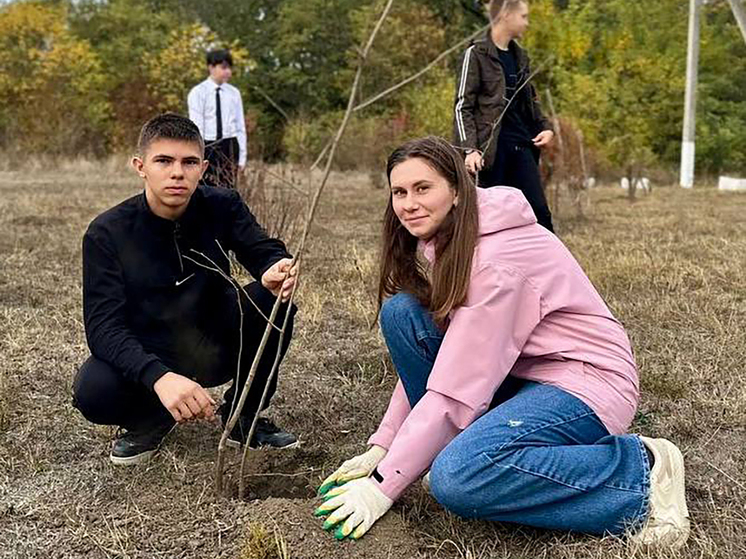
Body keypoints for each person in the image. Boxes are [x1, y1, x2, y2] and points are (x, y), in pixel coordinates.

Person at [315, 137, 689, 548]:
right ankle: (479, 451)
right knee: (404, 314)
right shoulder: (454, 236)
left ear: (456, 189)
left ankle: (639, 475)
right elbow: (450, 362)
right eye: (399, 192)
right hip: (520, 372)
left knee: (458, 477)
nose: (409, 204)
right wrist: (384, 446)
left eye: (424, 188)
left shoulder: (496, 263)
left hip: (583, 382)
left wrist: (382, 486)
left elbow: (455, 390)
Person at [73, 113, 298, 465]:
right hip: (151, 350)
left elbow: (261, 248)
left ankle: (244, 418)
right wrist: (158, 377)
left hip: (215, 341)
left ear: (203, 166)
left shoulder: (223, 204)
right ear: (140, 166)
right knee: (94, 389)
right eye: (164, 160)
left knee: (273, 304)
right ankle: (150, 419)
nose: (177, 172)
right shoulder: (106, 232)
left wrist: (275, 267)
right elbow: (103, 327)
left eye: (189, 162)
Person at [454, 0, 555, 232]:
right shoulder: (476, 54)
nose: (527, 23)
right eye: (524, 16)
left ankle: (549, 267)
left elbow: (530, 102)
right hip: (490, 153)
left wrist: (545, 127)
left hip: (521, 147)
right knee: (491, 219)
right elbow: (462, 107)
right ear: (506, 15)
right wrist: (470, 149)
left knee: (539, 212)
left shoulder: (521, 57)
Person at [188, 49, 247, 189]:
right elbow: (197, 127)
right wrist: (197, 153)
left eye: (229, 68)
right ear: (211, 67)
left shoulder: (234, 93)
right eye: (224, 67)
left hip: (230, 145)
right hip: (208, 145)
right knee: (206, 189)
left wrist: (242, 156)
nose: (228, 72)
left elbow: (240, 126)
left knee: (228, 190)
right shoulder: (198, 93)